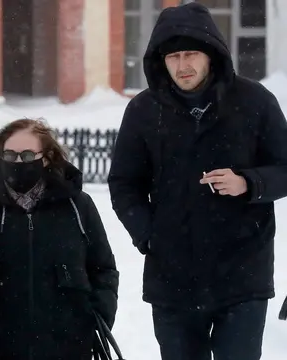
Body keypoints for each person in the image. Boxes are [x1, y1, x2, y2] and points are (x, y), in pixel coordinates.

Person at [108, 3, 287, 360]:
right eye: (174, 56)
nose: (182, 65)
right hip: (172, 277)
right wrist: (149, 235)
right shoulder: (144, 111)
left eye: (191, 54)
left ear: (211, 54)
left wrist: (249, 182)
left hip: (242, 273)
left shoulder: (254, 101)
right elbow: (124, 183)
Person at [0, 119, 119, 360]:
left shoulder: (77, 206)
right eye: (9, 154)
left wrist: (93, 319)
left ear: (47, 157)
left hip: (66, 346)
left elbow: (103, 269)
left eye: (28, 155)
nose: (18, 162)